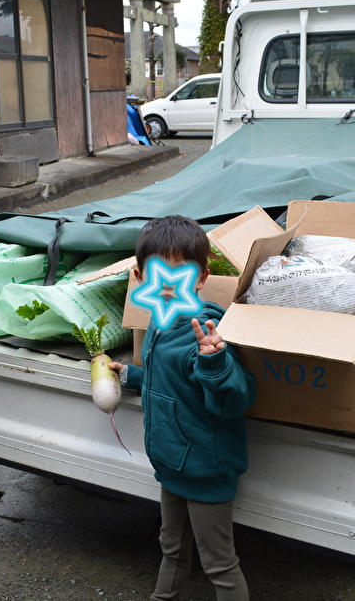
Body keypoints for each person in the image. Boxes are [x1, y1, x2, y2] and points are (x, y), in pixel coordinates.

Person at [109, 215, 257, 601]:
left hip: (206, 467)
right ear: (140, 275)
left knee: (219, 564)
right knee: (171, 546)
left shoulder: (205, 334)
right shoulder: (158, 325)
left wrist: (214, 362)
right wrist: (132, 376)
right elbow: (168, 383)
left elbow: (234, 399)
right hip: (172, 462)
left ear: (202, 278)